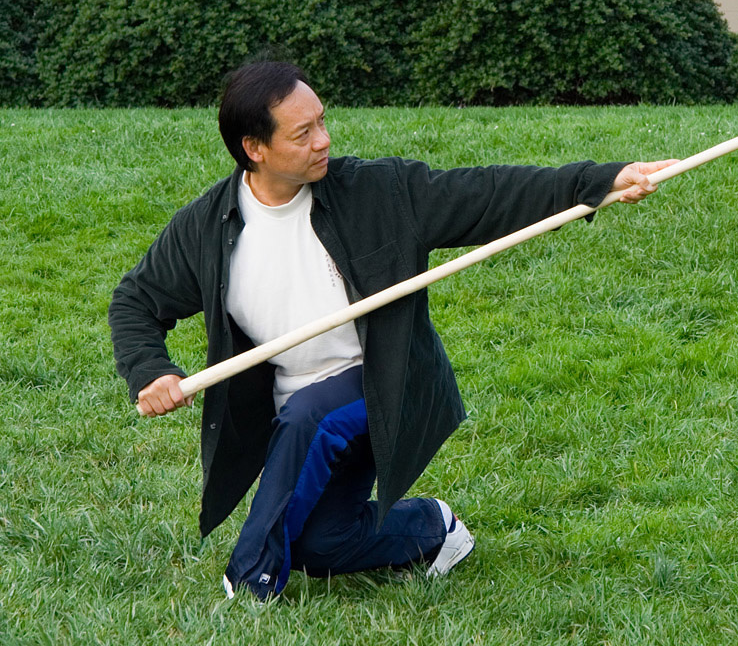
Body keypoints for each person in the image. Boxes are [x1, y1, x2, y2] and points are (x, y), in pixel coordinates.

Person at [109, 60, 675, 601]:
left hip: (380, 384)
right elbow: (135, 301)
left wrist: (599, 181)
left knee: (314, 414)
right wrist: (151, 369)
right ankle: (435, 528)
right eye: (303, 133)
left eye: (323, 121)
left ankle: (252, 576)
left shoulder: (375, 193)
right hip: (292, 414)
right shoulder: (208, 228)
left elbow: (485, 193)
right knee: (319, 544)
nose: (324, 139)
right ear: (254, 150)